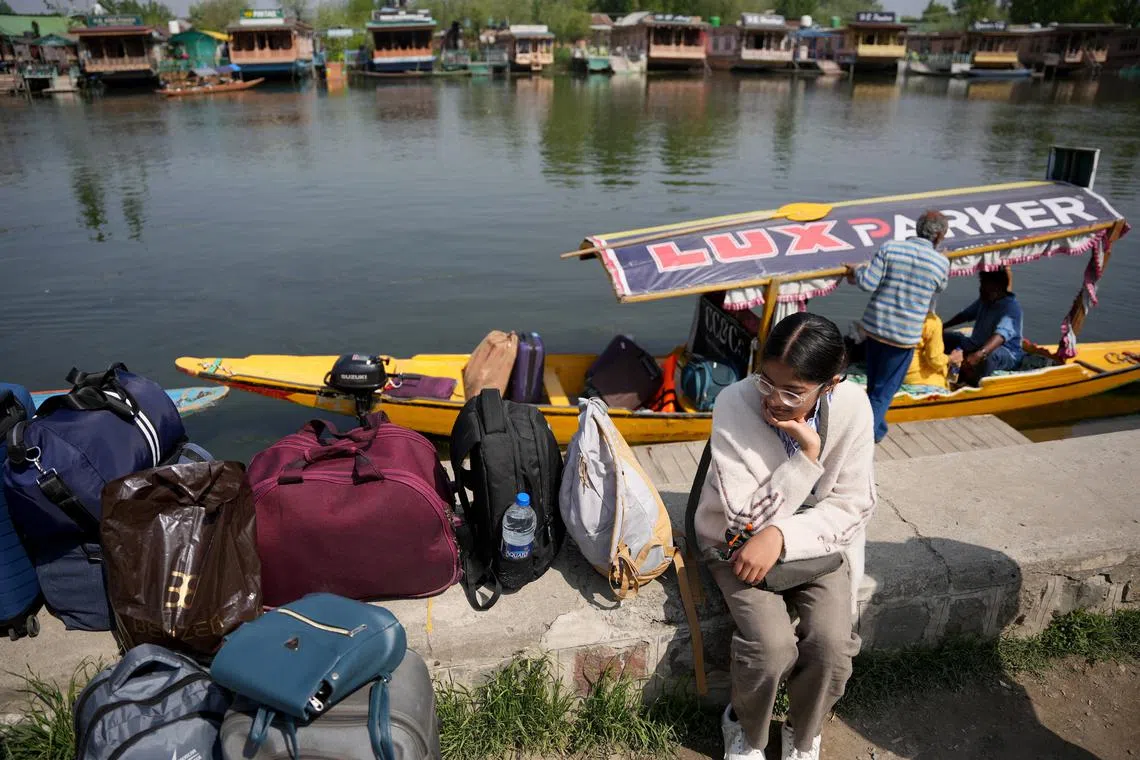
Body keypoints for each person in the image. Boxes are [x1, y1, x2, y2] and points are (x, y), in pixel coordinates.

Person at [695, 312, 875, 760]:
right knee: (772, 648)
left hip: (816, 546)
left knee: (833, 646)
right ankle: (745, 726)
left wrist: (780, 534)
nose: (774, 400)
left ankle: (803, 729)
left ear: (830, 384)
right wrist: (806, 462)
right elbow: (740, 517)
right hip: (734, 542)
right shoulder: (735, 403)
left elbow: (855, 503)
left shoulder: (854, 407)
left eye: (793, 391)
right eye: (766, 381)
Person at [845, 210, 950, 443]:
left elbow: (868, 282)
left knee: (875, 385)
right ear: (940, 236)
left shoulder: (890, 248)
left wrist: (856, 270)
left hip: (875, 328)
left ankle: (877, 429)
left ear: (917, 228)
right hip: (903, 338)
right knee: (884, 391)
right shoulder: (941, 262)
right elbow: (940, 287)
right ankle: (864, 438)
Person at [943, 268, 1024, 384]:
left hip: (1006, 353)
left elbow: (1000, 336)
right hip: (977, 343)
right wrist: (942, 326)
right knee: (945, 338)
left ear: (997, 287)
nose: (981, 289)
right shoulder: (985, 300)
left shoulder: (1011, 308)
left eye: (985, 285)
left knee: (991, 354)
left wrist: (979, 354)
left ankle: (975, 386)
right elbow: (965, 315)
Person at [903, 311, 950, 389]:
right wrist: (951, 358)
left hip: (893, 373)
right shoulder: (932, 321)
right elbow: (935, 360)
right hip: (918, 379)